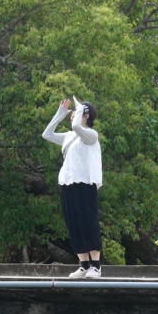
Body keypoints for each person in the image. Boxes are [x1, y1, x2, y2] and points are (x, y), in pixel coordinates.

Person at [42, 95, 103, 279]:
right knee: (73, 222)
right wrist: (60, 114)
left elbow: (78, 126)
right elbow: (47, 134)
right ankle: (84, 265)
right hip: (68, 183)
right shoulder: (69, 137)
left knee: (88, 222)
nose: (73, 115)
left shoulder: (91, 135)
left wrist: (80, 107)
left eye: (76, 112)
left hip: (85, 183)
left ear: (86, 115)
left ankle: (96, 266)